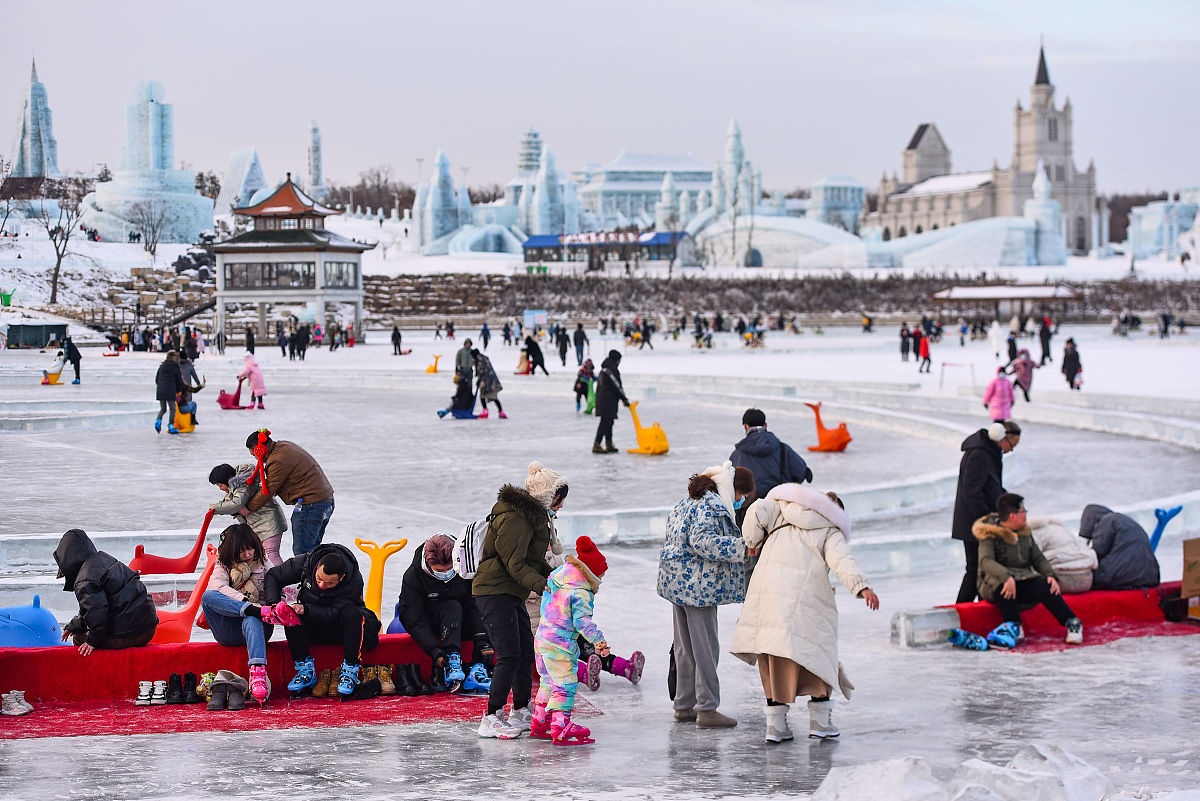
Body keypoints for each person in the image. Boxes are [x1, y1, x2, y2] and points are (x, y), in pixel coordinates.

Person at [732, 486, 879, 742]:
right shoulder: (830, 530)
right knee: (816, 651)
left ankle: (776, 727)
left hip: (767, 594)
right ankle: (820, 722)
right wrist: (861, 586)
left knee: (773, 651)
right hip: (806, 598)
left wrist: (752, 541)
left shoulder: (781, 512)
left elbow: (756, 508)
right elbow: (842, 560)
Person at [472, 462, 567, 739]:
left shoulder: (534, 518)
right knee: (510, 654)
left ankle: (521, 709)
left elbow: (534, 561)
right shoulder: (516, 518)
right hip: (493, 592)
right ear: (545, 497)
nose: (560, 505)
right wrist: (546, 585)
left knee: (526, 651)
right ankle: (491, 716)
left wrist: (559, 579)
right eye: (558, 499)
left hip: (510, 591)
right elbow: (515, 564)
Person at [658, 462, 745, 728]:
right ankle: (707, 708)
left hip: (677, 582)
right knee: (705, 647)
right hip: (698, 586)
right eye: (740, 495)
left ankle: (684, 705)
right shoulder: (712, 506)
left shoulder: (685, 503)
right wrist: (743, 547)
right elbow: (702, 541)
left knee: (686, 647)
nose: (740, 501)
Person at [264, 543, 380, 697]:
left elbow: (335, 612)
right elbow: (273, 575)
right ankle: (304, 667)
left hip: (343, 629)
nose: (321, 585)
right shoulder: (306, 562)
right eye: (319, 579)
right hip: (313, 626)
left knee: (353, 613)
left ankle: (350, 668)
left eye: (329, 583)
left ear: (341, 578)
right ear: (317, 567)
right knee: (290, 611)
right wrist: (274, 604)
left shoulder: (354, 579)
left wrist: (307, 609)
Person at [530, 536, 610, 745]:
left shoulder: (557, 579)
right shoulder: (580, 592)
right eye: (601, 573)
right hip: (560, 644)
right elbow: (582, 622)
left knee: (548, 680)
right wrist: (599, 641)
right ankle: (561, 725)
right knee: (565, 684)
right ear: (591, 573)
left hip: (542, 639)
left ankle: (539, 721)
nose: (602, 577)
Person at [974, 493, 1083, 646]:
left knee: (1045, 585)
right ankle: (1014, 626)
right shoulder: (990, 534)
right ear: (1012, 516)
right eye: (1023, 511)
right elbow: (986, 562)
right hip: (994, 581)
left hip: (1022, 579)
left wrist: (1050, 575)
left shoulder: (1024, 532)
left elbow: (1038, 558)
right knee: (1004, 587)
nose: (1026, 515)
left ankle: (1072, 622)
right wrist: (1006, 577)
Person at [397, 534, 492, 693]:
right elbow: (413, 618)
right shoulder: (413, 576)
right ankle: (450, 660)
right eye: (440, 570)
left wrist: (483, 640)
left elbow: (475, 605)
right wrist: (434, 651)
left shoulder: (466, 568)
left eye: (450, 569)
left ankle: (477, 666)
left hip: (461, 621)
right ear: (428, 563)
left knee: (492, 610)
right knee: (451, 606)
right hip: (432, 623)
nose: (446, 573)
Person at [199, 523, 274, 703]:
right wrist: (247, 605)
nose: (248, 555)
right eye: (242, 551)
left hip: (259, 627)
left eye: (250, 549)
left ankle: (258, 674)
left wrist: (270, 606)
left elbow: (277, 586)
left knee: (252, 617)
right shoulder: (223, 565)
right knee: (209, 596)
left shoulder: (264, 563)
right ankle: (250, 610)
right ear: (232, 551)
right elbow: (217, 587)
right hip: (229, 630)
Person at [53, 528, 158, 655]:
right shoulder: (105, 559)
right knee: (86, 629)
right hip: (148, 626)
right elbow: (96, 609)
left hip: (132, 633)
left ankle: (89, 670)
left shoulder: (85, 579)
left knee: (80, 638)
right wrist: (75, 625)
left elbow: (96, 613)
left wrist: (92, 641)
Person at [951, 421, 1021, 603]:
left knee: (981, 569)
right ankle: (962, 610)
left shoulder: (988, 452)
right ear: (1002, 438)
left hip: (978, 522)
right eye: (1012, 445)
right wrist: (985, 520)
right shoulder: (979, 455)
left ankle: (980, 607)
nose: (1011, 450)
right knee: (975, 568)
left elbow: (991, 487)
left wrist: (1009, 501)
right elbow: (972, 492)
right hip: (974, 524)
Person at [241, 430, 335, 556]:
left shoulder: (276, 460)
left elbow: (268, 489)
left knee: (303, 552)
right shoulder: (282, 446)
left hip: (311, 505)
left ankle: (309, 575)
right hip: (323, 501)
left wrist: (248, 508)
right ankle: (315, 573)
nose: (256, 459)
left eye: (255, 455)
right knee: (312, 550)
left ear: (260, 449)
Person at [208, 463, 288, 566]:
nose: (221, 488)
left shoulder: (243, 484)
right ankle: (269, 579)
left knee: (271, 554)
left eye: (220, 485)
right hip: (261, 523)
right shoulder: (235, 488)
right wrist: (217, 508)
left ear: (226, 480)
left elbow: (236, 504)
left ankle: (281, 579)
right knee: (263, 555)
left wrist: (214, 508)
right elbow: (228, 503)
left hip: (268, 522)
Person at [729, 408, 812, 497]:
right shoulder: (782, 448)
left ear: (745, 426)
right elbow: (801, 472)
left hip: (749, 505)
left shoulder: (737, 454)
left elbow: (729, 481)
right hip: (777, 501)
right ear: (765, 425)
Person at [1078, 504, 1161, 591]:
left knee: (1086, 578)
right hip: (1150, 576)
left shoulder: (1107, 521)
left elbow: (1098, 552)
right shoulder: (1123, 520)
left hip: (1124, 575)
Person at [593, 350, 630, 454]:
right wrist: (624, 399)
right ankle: (597, 444)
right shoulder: (611, 371)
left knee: (609, 422)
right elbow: (617, 386)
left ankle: (608, 444)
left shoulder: (605, 370)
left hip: (604, 400)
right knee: (605, 422)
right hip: (607, 401)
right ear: (616, 360)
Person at [154, 350, 185, 434]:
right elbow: (179, 381)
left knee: (163, 409)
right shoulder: (175, 367)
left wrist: (161, 386)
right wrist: (178, 391)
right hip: (170, 390)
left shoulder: (162, 366)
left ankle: (158, 421)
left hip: (160, 390)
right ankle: (171, 426)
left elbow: (156, 380)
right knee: (172, 408)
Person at [473, 348, 506, 419]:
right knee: (494, 397)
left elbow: (481, 371)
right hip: (492, 381)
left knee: (482, 396)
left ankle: (486, 412)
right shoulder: (484, 358)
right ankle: (501, 412)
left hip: (487, 382)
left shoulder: (479, 360)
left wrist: (479, 380)